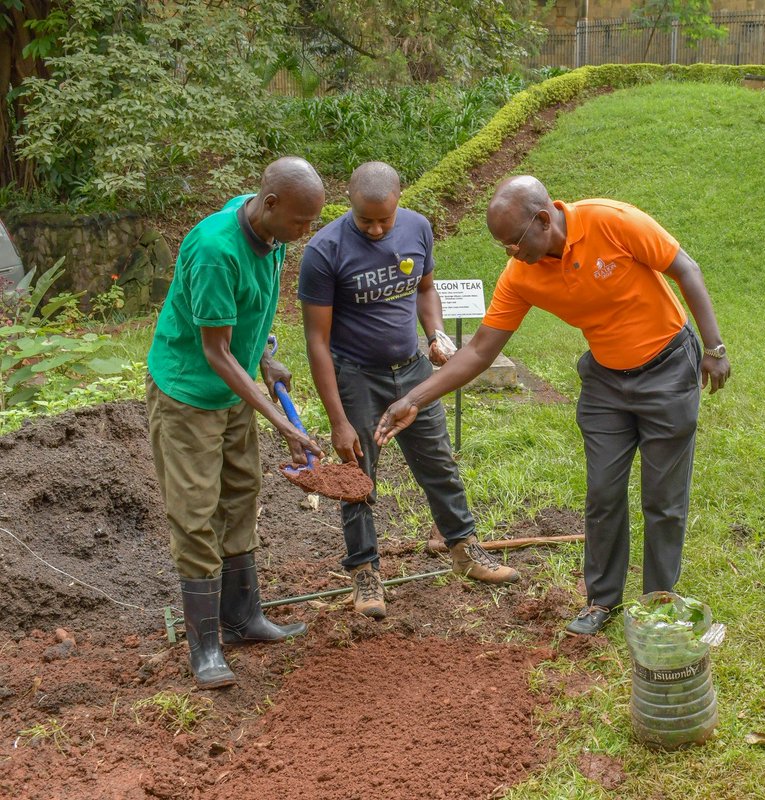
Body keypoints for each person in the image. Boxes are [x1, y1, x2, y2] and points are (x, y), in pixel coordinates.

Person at [374, 175, 731, 635]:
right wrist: (415, 398)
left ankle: (660, 602)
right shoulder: (521, 274)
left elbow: (685, 268)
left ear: (544, 219)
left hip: (667, 368)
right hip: (605, 382)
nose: (510, 254)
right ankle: (601, 601)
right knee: (603, 492)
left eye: (514, 242)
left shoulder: (611, 220)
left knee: (663, 500)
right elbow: (481, 349)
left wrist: (714, 348)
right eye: (502, 246)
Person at [299, 161, 518, 620]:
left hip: (414, 370)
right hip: (357, 376)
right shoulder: (324, 251)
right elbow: (317, 342)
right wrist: (338, 420)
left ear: (400, 199)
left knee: (438, 461)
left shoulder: (418, 228)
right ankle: (364, 572)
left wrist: (436, 332)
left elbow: (425, 290)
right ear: (349, 205)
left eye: (385, 219)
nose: (377, 229)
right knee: (358, 476)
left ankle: (464, 548)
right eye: (366, 221)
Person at [146, 157, 327, 689]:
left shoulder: (272, 234)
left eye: (311, 222)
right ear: (269, 204)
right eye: (300, 222)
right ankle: (204, 648)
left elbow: (256, 310)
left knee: (242, 490)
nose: (304, 233)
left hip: (234, 390)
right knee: (196, 508)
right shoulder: (213, 250)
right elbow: (217, 352)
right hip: (191, 394)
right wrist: (282, 422)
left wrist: (266, 358)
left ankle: (243, 617)